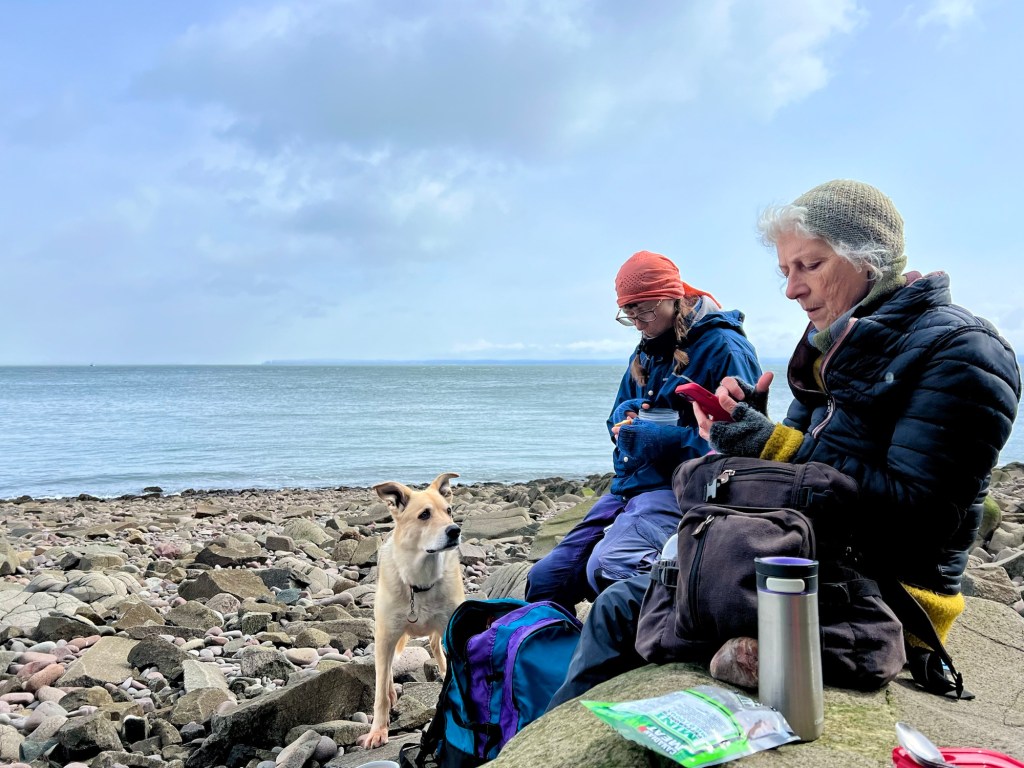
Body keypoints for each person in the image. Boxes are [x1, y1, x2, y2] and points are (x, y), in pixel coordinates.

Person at [547, 180, 1021, 709]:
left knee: (622, 609)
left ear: (871, 258)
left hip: (887, 592)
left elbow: (920, 516)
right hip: (806, 553)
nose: (792, 289)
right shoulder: (832, 343)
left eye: (810, 266)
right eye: (785, 271)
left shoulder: (962, 351)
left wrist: (771, 445)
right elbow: (796, 462)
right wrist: (740, 432)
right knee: (629, 598)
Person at [525, 250, 761, 612]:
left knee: (608, 567)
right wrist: (623, 422)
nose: (637, 322)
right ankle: (558, 653)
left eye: (645, 310)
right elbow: (616, 421)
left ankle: (661, 636)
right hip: (630, 487)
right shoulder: (648, 348)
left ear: (673, 297)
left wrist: (663, 441)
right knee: (545, 580)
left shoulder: (724, 348)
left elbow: (744, 445)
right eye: (628, 313)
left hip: (684, 488)